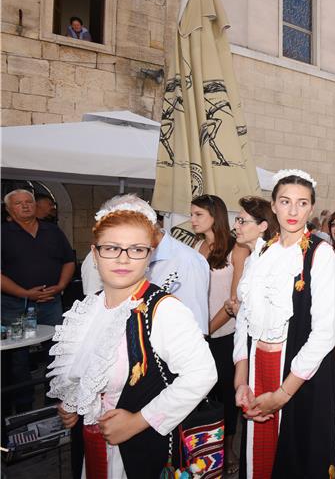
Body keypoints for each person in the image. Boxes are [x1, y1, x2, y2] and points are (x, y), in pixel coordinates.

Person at [48, 200, 216, 477]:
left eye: (136, 249)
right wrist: (74, 402)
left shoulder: (163, 308)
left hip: (137, 449)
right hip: (91, 446)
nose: (123, 258)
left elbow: (201, 374)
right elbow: (88, 366)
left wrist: (139, 420)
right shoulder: (91, 306)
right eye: (112, 248)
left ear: (150, 255)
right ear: (95, 253)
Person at [233, 170, 335, 478]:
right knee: (258, 456)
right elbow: (244, 318)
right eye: (285, 201)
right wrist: (241, 380)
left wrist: (282, 394)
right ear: (274, 205)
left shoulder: (321, 253)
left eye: (302, 203)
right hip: (256, 366)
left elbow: (323, 333)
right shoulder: (261, 251)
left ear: (312, 208)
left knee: (296, 458)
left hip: (297, 374)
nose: (293, 211)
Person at [81, 194, 211, 334]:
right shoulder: (100, 257)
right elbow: (96, 310)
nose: (123, 258)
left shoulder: (188, 261)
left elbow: (194, 328)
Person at [190, 194, 250, 475]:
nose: (193, 220)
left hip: (224, 334)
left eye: (198, 214)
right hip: (197, 334)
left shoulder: (236, 250)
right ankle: (204, 448)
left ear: (215, 215)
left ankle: (227, 453)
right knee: (202, 393)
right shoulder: (196, 246)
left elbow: (234, 301)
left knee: (226, 395)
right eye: (192, 214)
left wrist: (207, 331)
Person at [1, 189, 76, 411]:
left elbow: (68, 261)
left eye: (29, 202)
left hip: (51, 303)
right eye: (18, 203)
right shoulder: (3, 233)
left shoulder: (52, 231)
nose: (25, 206)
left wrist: (61, 286)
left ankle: (55, 399)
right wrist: (26, 293)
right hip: (14, 305)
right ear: (8, 209)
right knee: (18, 359)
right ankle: (24, 406)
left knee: (58, 352)